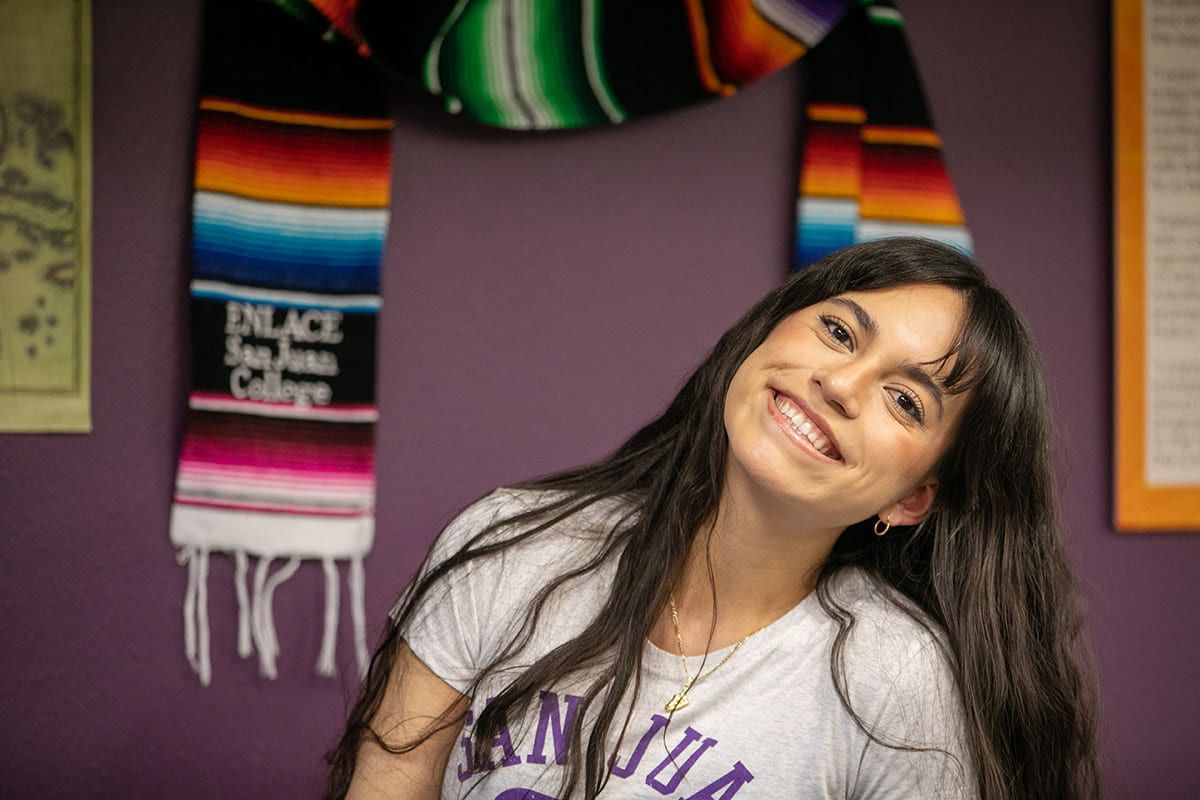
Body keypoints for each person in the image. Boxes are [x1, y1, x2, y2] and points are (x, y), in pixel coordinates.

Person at [325, 238, 1101, 800]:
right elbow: (391, 772)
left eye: (905, 400)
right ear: (764, 337)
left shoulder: (897, 681)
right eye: (837, 331)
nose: (840, 383)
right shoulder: (514, 544)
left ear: (911, 499)